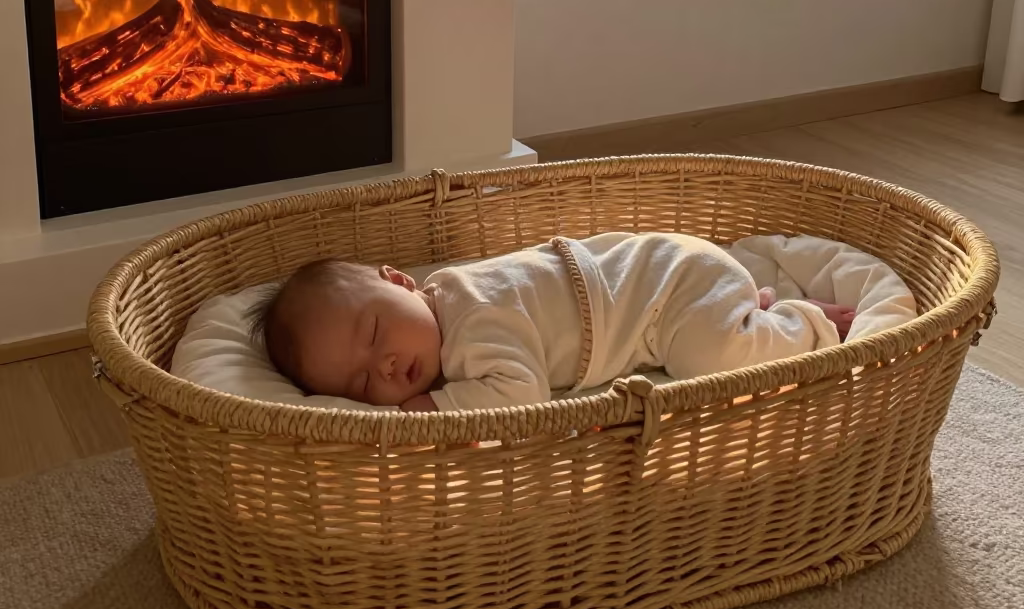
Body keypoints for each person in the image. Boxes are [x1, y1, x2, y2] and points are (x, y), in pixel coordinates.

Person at [246, 233, 856, 412]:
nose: (382, 367)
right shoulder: (443, 315)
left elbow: (522, 395)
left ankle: (803, 323)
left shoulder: (472, 320)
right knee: (699, 341)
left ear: (402, 280)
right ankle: (749, 310)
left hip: (667, 287)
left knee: (703, 362)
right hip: (671, 278)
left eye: (376, 334)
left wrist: (431, 411)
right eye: (360, 386)